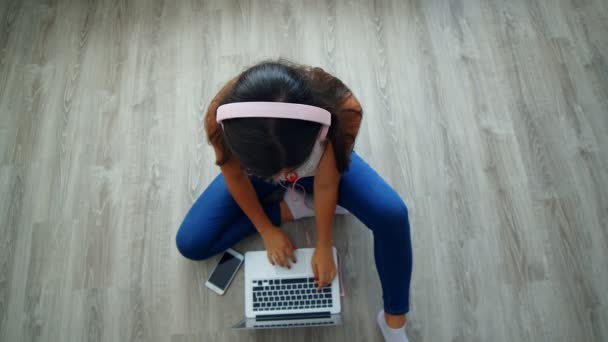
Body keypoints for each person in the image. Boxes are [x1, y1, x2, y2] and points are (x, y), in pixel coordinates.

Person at [176, 60, 412, 342]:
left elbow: (326, 183)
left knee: (393, 215)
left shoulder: (344, 110)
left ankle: (394, 322)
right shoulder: (221, 118)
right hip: (261, 175)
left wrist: (323, 244)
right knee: (191, 243)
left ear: (317, 133)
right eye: (278, 175)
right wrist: (266, 228)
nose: (286, 178)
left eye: (289, 171)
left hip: (321, 171)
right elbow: (237, 178)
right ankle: (291, 209)